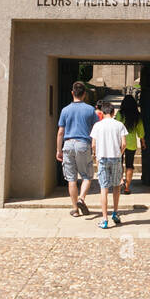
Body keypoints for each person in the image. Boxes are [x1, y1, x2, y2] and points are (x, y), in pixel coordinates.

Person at [56, 81, 98, 215]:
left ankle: (75, 209)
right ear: (84, 94)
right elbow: (96, 129)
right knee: (87, 175)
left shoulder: (65, 110)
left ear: (72, 93)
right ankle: (81, 198)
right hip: (83, 144)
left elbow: (60, 132)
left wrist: (58, 150)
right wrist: (95, 146)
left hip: (68, 144)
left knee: (71, 179)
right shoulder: (90, 110)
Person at [89, 99, 128, 228]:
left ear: (102, 112)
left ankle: (104, 219)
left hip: (103, 158)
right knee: (116, 186)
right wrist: (120, 153)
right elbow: (124, 144)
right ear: (113, 112)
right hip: (116, 158)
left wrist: (96, 155)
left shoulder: (97, 125)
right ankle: (115, 213)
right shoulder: (119, 125)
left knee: (104, 188)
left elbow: (93, 144)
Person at [115, 94, 146, 194]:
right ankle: (127, 187)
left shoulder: (120, 114)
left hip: (120, 143)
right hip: (131, 144)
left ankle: (120, 181)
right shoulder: (137, 116)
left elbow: (116, 128)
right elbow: (140, 131)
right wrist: (143, 142)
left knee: (119, 162)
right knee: (129, 164)